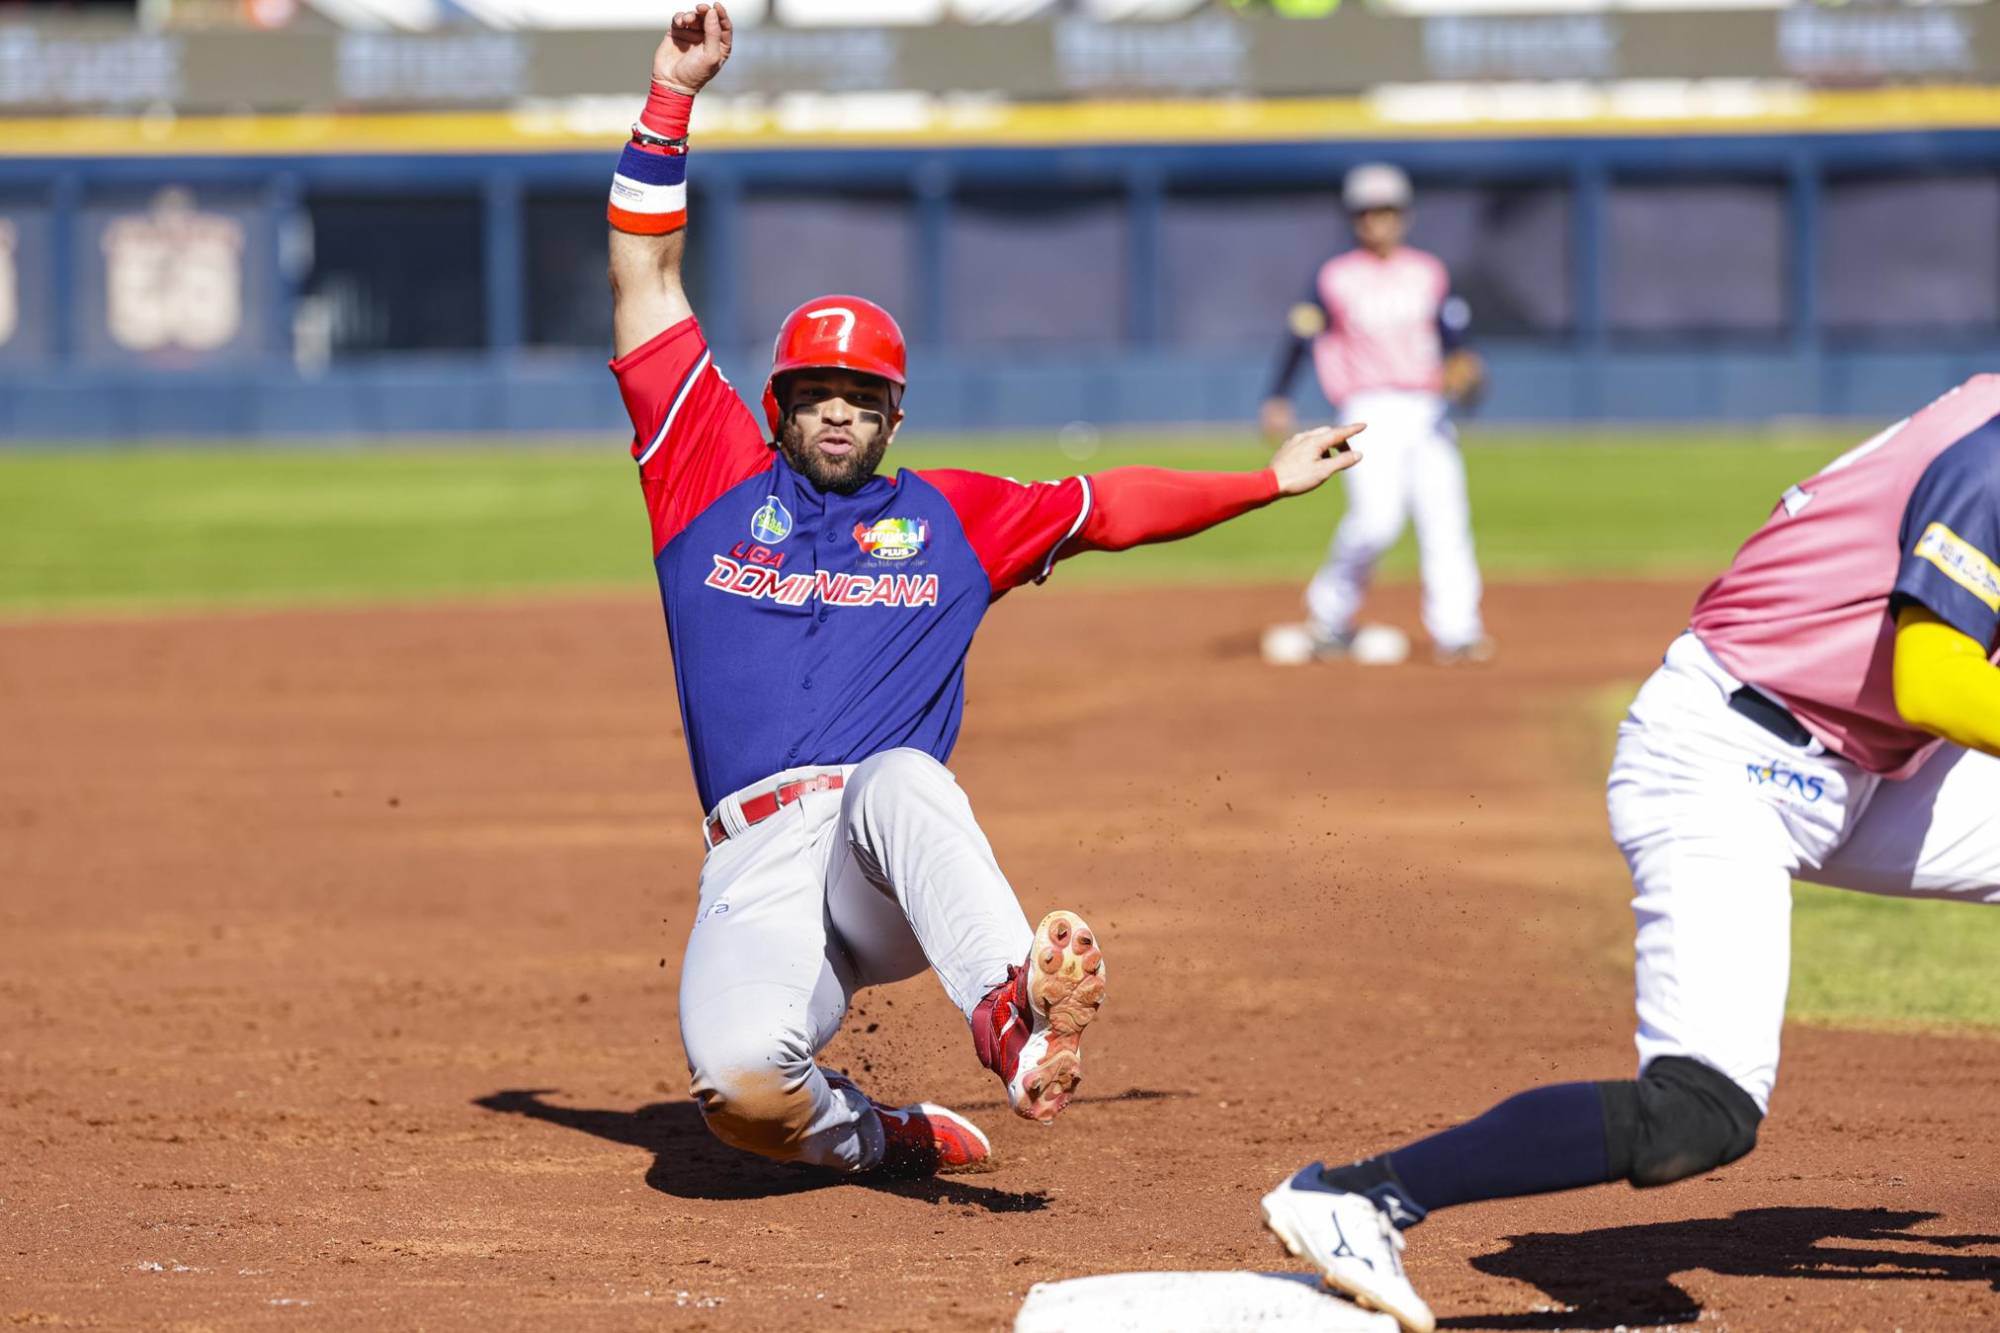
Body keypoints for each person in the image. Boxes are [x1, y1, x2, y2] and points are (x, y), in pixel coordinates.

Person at [609, 5, 1367, 1179]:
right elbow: (645, 275)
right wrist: (672, 96)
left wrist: (1265, 481)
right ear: (776, 404)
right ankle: (883, 1133)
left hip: (880, 856)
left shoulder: (954, 517)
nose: (837, 412)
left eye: (862, 397)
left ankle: (1010, 1013)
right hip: (750, 866)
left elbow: (1106, 506)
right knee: (740, 1090)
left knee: (900, 777)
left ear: (895, 415)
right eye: (815, 392)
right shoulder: (699, 470)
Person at [1259, 375, 2000, 1331]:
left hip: (1860, 759)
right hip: (1726, 758)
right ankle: (1359, 1197)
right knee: (1701, 1112)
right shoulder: (1988, 459)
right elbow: (1934, 680)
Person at [1259, 163, 1490, 666]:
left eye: (1385, 211)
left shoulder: (1428, 272)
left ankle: (1458, 631)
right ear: (1353, 218)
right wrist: (1278, 395)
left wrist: (1465, 370)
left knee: (1445, 517)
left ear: (1403, 216)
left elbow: (1456, 344)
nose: (1376, 221)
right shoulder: (1336, 277)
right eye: (1366, 212)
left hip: (1427, 409)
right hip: (1366, 410)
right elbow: (1301, 335)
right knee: (1375, 521)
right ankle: (1328, 615)